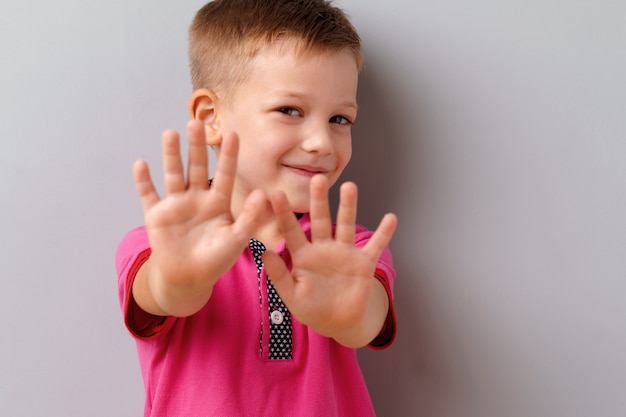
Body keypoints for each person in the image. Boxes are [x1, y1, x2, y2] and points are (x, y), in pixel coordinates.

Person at [116, 0, 398, 415]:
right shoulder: (160, 246)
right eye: (290, 110)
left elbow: (365, 320)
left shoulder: (352, 251)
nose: (321, 141)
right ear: (211, 117)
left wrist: (349, 312)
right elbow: (163, 291)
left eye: (340, 119)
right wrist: (179, 280)